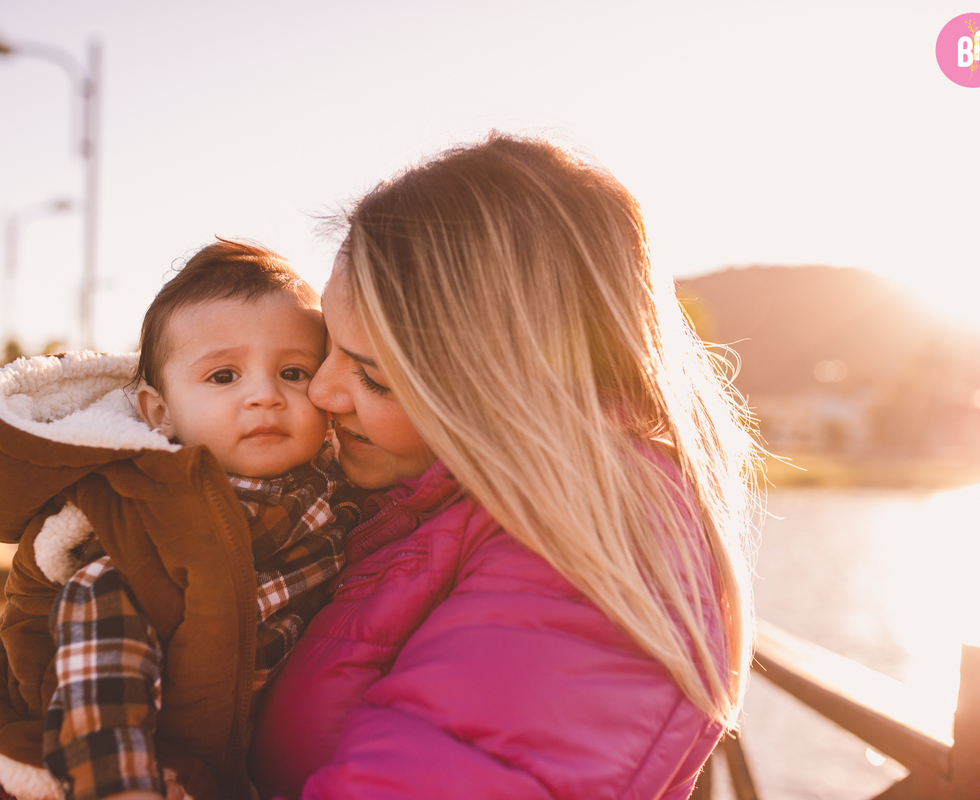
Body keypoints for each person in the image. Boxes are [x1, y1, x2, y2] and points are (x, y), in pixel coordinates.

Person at [248, 133, 760, 799]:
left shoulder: (599, 550)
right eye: (327, 351)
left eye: (374, 378)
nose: (320, 392)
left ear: (495, 386)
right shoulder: (435, 503)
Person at [0, 240, 364, 800]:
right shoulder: (155, 521)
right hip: (161, 759)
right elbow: (99, 657)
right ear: (160, 412)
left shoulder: (341, 486)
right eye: (224, 377)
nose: (265, 396)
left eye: (294, 371)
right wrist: (123, 784)